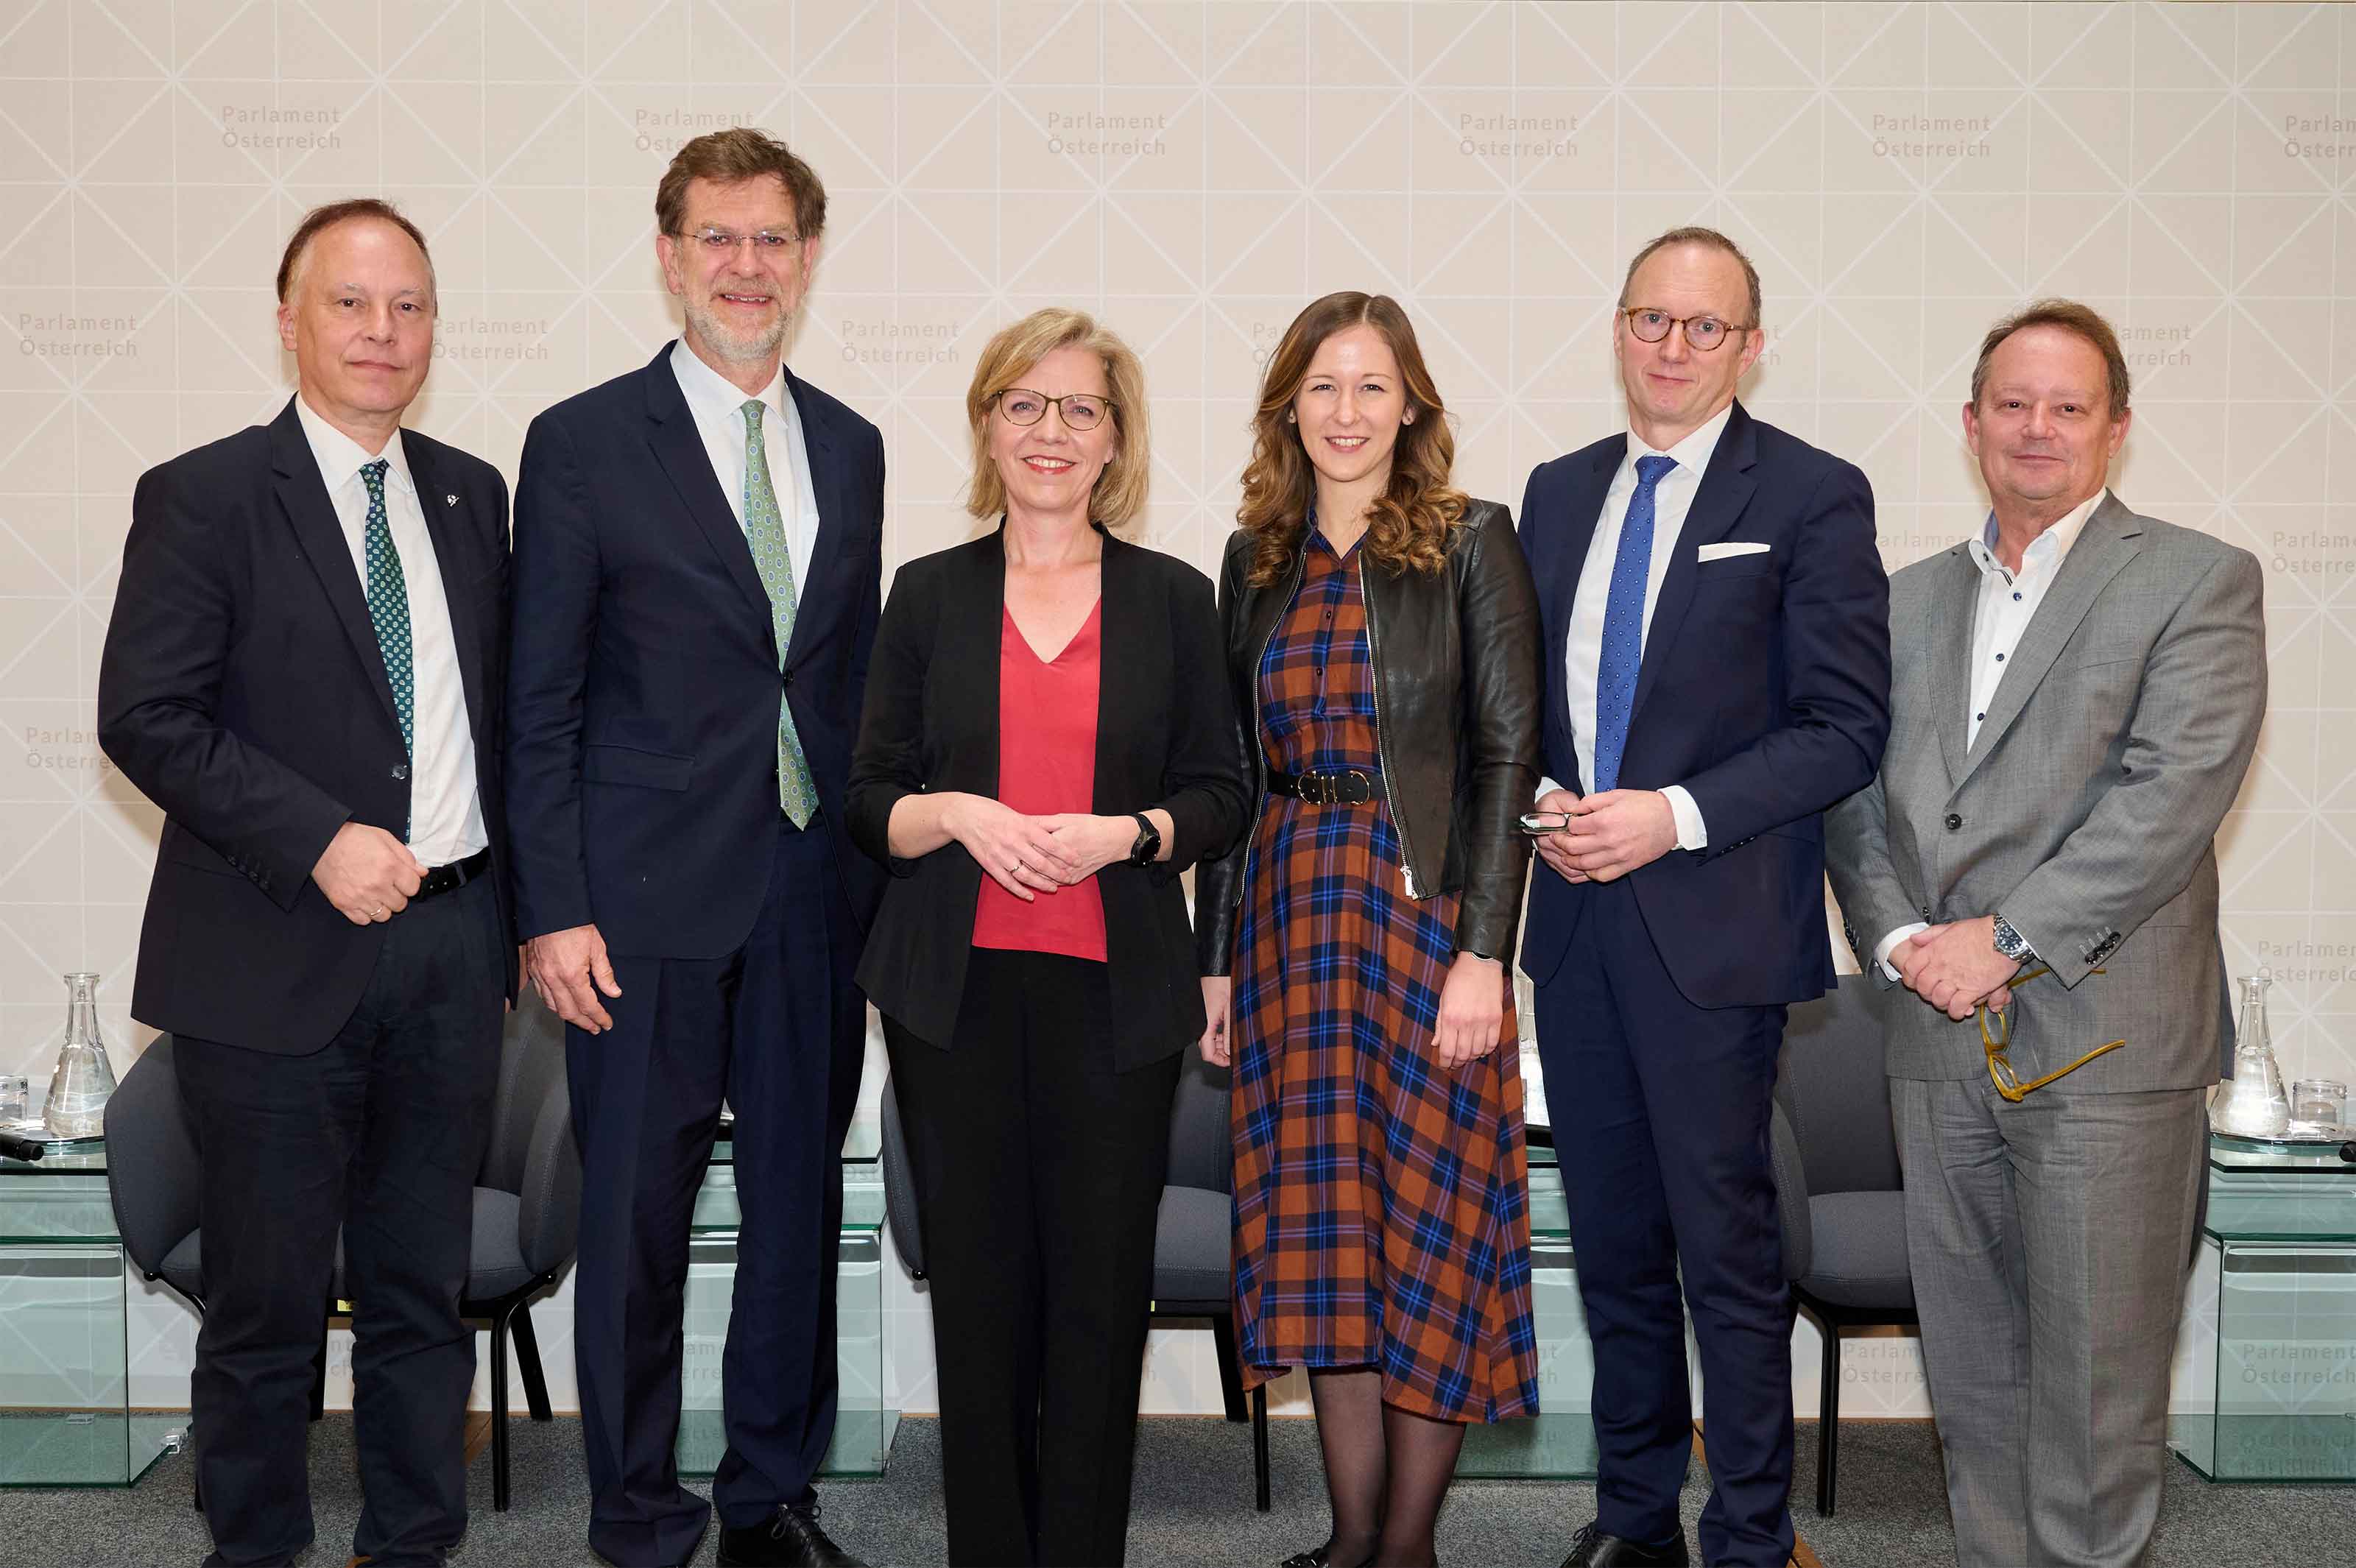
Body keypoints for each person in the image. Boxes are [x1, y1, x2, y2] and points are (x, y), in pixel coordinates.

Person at [96, 199, 512, 1568]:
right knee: (266, 1308)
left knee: (419, 1295)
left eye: (408, 306)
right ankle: (256, 1551)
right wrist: (321, 835)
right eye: (351, 303)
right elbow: (147, 716)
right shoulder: (205, 493)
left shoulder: (471, 494)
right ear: (290, 321)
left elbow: (488, 725)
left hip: (451, 956)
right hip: (270, 956)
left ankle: (412, 1546)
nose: (382, 332)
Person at [1825, 300, 2264, 1568]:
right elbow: (1850, 795)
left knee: (2093, 1402)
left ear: (2116, 428)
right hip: (1932, 1034)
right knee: (1976, 1394)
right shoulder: (1901, 601)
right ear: (1971, 425)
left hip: (2106, 1046)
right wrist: (1904, 937)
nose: (2037, 428)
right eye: (2012, 403)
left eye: (2069, 406)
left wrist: (2002, 939)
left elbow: (2170, 796)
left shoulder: (2195, 577)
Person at [504, 128, 884, 1568]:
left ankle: (770, 1501)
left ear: (804, 259)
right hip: (638, 908)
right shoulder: (585, 442)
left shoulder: (849, 446)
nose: (744, 267)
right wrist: (552, 907)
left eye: (770, 240)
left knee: (796, 1212)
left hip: (809, 899)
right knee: (638, 1231)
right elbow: (536, 702)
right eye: (716, 239)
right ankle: (638, 1514)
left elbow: (833, 687)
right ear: (669, 257)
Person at [847, 308, 1247, 1567]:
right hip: (949, 1000)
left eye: (1081, 408)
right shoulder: (926, 594)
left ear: (1115, 436)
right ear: (985, 425)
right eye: (1024, 404)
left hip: (1114, 1003)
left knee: (1094, 1304)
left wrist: (1126, 833)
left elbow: (1223, 794)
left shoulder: (1176, 599)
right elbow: (865, 800)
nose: (1051, 431)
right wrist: (955, 811)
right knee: (978, 1304)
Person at [1517, 227, 1891, 1568]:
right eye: (1649, 320)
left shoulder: (1810, 494)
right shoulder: (1556, 493)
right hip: (1571, 932)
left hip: (1714, 934)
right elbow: (1537, 712)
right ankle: (1634, 1520)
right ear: (1617, 327)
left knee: (1723, 1253)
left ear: (1749, 343)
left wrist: (1667, 816)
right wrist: (1550, 806)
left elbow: (1845, 726)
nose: (1672, 348)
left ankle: (1747, 1532)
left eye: (1704, 326)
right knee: (1610, 1245)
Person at [1195, 291, 1544, 1568]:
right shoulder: (1255, 559)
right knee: (1321, 1232)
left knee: (1430, 1240)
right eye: (1323, 387)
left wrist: (1485, 954)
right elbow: (1233, 774)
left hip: (1425, 923)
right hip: (1289, 917)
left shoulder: (1469, 540)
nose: (1347, 412)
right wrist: (1217, 961)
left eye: (1373, 387)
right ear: (1291, 404)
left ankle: (1406, 1549)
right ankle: (1350, 1540)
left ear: (1413, 405)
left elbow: (1510, 754)